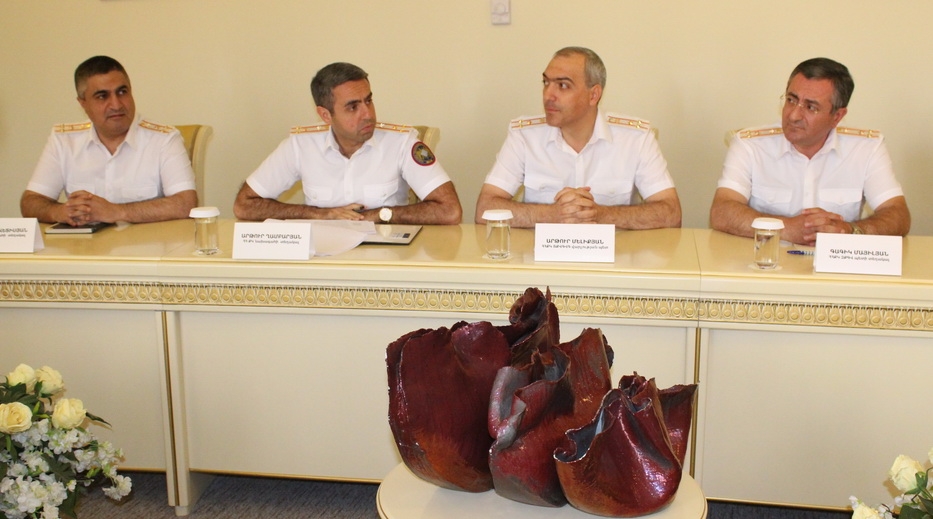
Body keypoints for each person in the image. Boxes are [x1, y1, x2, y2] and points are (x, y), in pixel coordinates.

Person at [474, 46, 681, 229]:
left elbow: (671, 213)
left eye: (563, 85)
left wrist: (600, 215)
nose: (548, 95)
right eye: (546, 82)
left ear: (594, 95)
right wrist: (553, 214)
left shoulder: (635, 138)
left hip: (616, 257)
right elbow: (485, 209)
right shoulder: (524, 136)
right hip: (540, 258)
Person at [710, 57, 910, 246]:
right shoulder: (750, 145)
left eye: (811, 107)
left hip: (837, 266)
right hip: (767, 263)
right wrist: (786, 228)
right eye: (791, 100)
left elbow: (898, 215)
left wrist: (850, 231)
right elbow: (721, 212)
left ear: (837, 116)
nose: (794, 115)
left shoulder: (866, 148)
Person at [233, 62, 462, 225]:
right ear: (325, 115)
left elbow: (450, 210)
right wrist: (320, 214)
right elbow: (244, 205)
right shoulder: (300, 145)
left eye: (368, 101)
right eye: (353, 107)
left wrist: (380, 215)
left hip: (385, 259)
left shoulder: (401, 142)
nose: (368, 114)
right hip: (322, 260)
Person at [21, 56, 197, 226]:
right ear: (83, 103)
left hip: (148, 245)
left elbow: (186, 204)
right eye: (102, 96)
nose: (116, 105)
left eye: (122, 92)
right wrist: (60, 212)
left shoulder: (164, 139)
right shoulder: (64, 141)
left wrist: (116, 212)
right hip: (84, 246)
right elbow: (30, 202)